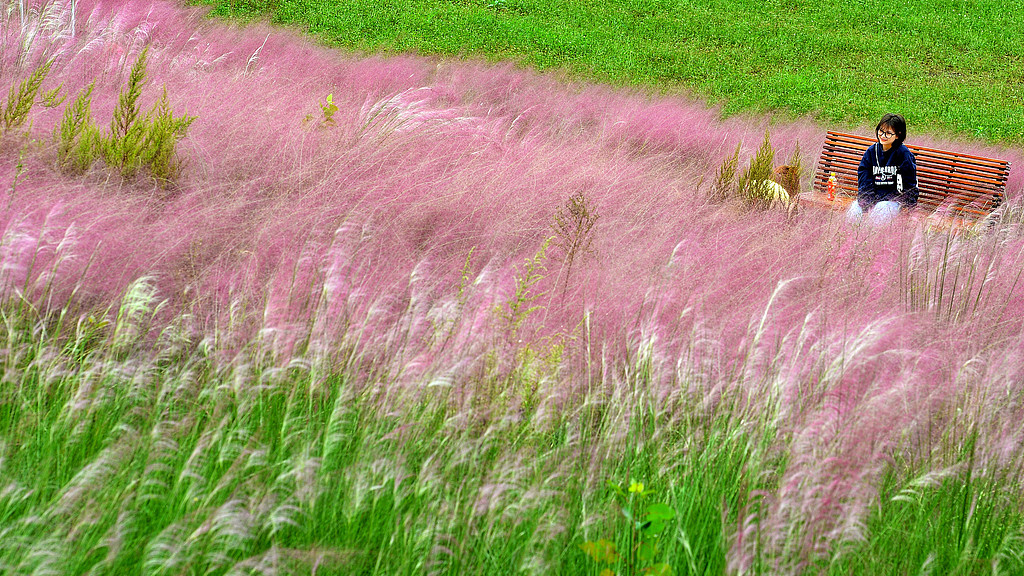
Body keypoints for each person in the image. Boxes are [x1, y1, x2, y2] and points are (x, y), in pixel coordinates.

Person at [846, 113, 918, 226]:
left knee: (881, 208)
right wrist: (867, 202)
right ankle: (851, 240)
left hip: (893, 201)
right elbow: (864, 180)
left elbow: (909, 185)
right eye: (881, 131)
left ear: (898, 135)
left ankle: (871, 241)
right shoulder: (871, 152)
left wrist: (907, 207)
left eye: (888, 133)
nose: (883, 135)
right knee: (855, 209)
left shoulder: (904, 155)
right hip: (873, 197)